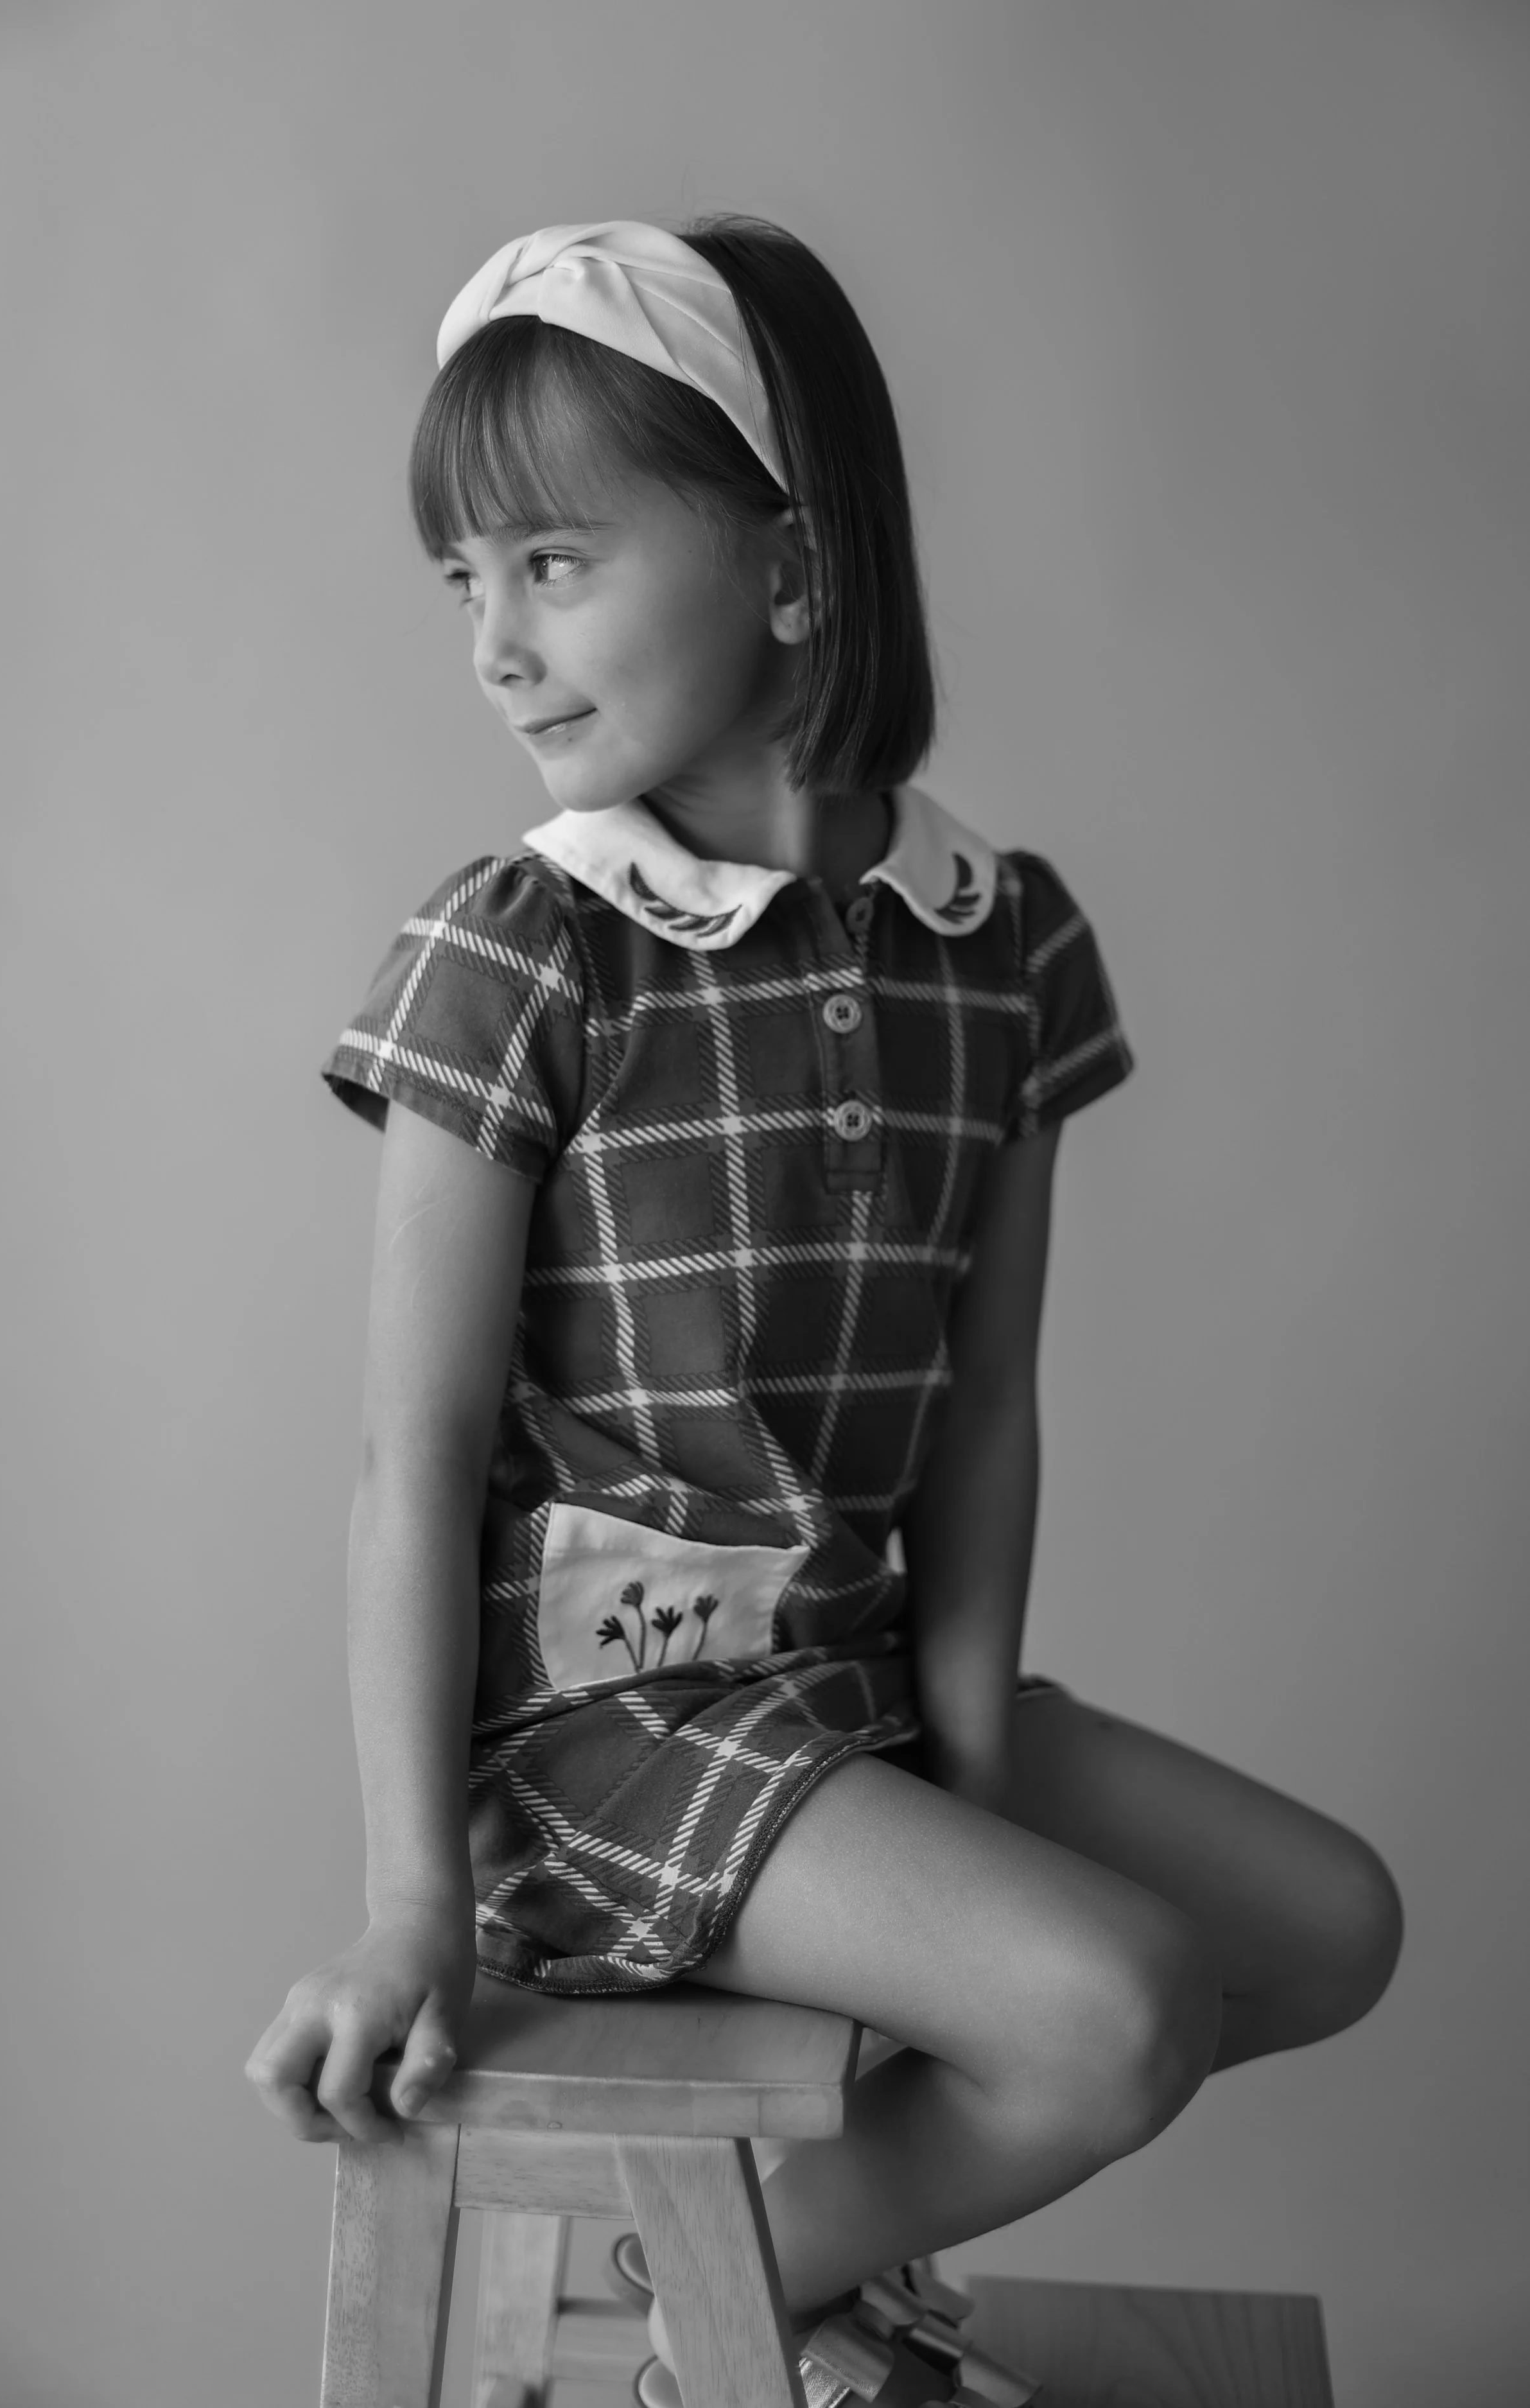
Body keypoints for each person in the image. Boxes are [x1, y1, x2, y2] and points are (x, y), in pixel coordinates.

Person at [246, 218, 1402, 2407]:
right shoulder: (522, 949)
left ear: (789, 566)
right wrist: (411, 1904)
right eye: (461, 579)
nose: (494, 642)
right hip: (601, 1738)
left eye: (552, 562)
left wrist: (968, 1761)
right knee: (1110, 2009)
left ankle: (796, 2280)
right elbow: (414, 1457)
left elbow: (984, 1411)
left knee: (1328, 1928)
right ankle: (693, 2315)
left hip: (850, 1683)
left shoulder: (1001, 942)